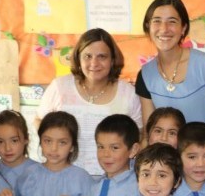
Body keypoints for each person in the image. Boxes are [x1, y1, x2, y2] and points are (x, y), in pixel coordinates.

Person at [38, 28, 142, 176]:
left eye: (102, 56)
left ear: (113, 60)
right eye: (87, 56)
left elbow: (140, 134)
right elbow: (40, 123)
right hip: (64, 177)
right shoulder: (59, 87)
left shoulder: (128, 94)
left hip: (113, 181)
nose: (94, 63)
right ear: (78, 58)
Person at [135, 0, 205, 127]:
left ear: (184, 28)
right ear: (148, 26)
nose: (164, 29)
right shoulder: (145, 75)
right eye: (157, 21)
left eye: (172, 21)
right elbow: (149, 133)